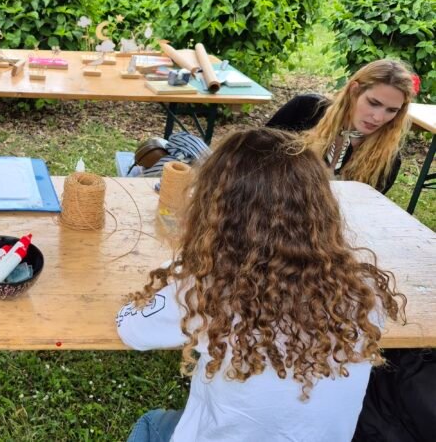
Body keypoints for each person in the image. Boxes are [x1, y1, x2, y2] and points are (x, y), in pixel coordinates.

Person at [117, 128, 405, 442]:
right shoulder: (363, 290)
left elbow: (131, 329)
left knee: (152, 424)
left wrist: (178, 271)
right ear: (320, 208)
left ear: (217, 209)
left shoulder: (202, 287)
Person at [266, 59, 415, 194]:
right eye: (373, 103)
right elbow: (253, 155)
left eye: (392, 110)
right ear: (354, 90)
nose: (378, 118)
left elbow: (367, 208)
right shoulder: (305, 109)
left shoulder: (387, 159)